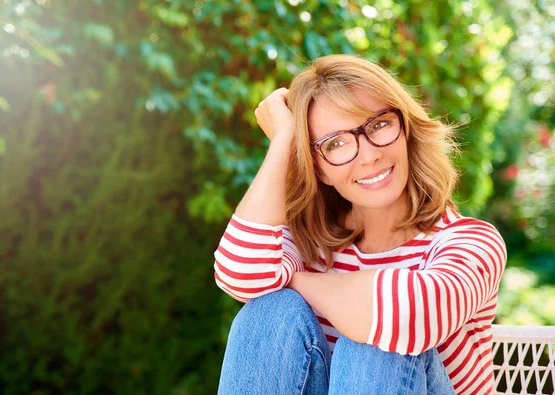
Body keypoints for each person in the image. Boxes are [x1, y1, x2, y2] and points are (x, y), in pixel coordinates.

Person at [213, 54, 506, 395]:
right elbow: (239, 277)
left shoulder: (471, 241)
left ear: (406, 130)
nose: (368, 156)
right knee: (268, 313)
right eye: (335, 144)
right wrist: (283, 142)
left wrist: (291, 280)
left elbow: (406, 316)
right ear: (319, 168)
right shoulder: (312, 239)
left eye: (379, 124)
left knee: (378, 338)